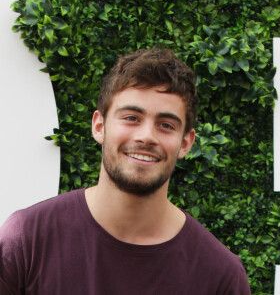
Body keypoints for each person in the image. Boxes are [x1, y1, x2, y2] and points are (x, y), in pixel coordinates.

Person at [0, 49, 251, 294]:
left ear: (186, 142)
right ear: (99, 126)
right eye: (131, 117)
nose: (146, 136)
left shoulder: (220, 275)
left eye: (166, 125)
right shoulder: (28, 241)